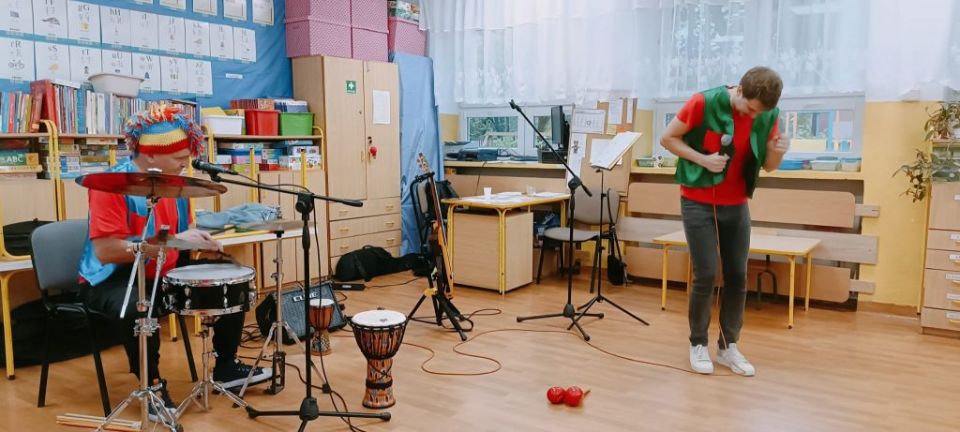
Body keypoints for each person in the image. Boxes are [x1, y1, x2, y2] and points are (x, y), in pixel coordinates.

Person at [78, 104, 271, 417]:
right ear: (152, 154)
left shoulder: (177, 184)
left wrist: (199, 244)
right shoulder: (109, 185)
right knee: (139, 305)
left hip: (161, 269)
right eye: (180, 158)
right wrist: (174, 241)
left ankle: (226, 365)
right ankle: (151, 384)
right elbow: (106, 251)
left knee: (229, 276)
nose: (186, 164)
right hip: (112, 276)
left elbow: (177, 238)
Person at [660, 66, 790, 376]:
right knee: (705, 273)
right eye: (751, 109)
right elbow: (668, 138)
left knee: (737, 275)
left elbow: (770, 166)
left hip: (737, 204)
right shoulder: (702, 102)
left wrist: (778, 152)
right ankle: (698, 344)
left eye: (760, 113)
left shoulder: (768, 114)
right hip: (698, 201)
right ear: (740, 90)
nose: (754, 116)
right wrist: (702, 159)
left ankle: (728, 346)